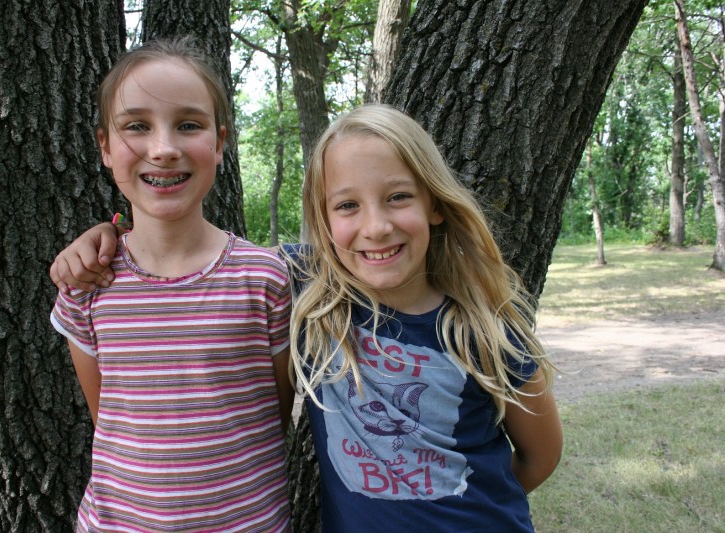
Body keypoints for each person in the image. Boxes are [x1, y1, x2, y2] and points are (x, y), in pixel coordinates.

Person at [51, 105, 563, 532]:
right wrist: (109, 234)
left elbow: (540, 457)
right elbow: (194, 257)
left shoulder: (485, 327)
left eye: (398, 197)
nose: (376, 227)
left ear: (435, 203)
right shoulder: (309, 290)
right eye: (347, 206)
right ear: (323, 220)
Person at [49, 37, 293, 532]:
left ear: (219, 143)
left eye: (188, 125)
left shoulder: (265, 279)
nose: (163, 149)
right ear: (105, 147)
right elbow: (108, 419)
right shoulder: (87, 281)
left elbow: (275, 414)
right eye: (137, 126)